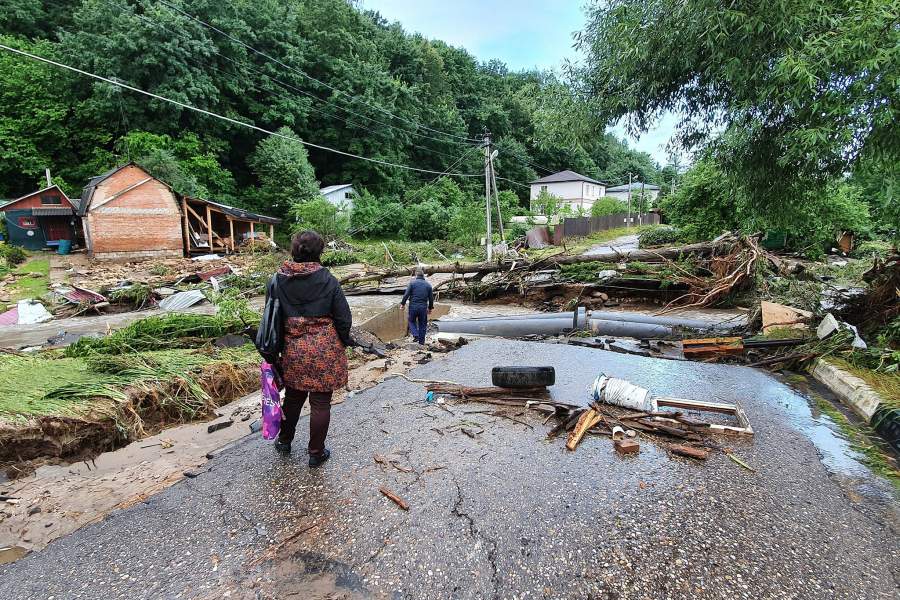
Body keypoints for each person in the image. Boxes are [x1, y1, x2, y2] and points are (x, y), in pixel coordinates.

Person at [269, 230, 351, 467]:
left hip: (294, 351)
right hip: (325, 350)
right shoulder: (328, 279)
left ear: (294, 251)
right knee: (320, 403)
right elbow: (344, 318)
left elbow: (272, 318)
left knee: (293, 399)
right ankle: (316, 453)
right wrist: (343, 342)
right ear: (319, 253)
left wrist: (274, 352)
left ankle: (284, 441)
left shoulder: (277, 279)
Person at [400, 266, 433, 345]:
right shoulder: (428, 285)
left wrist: (402, 304)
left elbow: (406, 295)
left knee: (411, 321)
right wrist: (430, 308)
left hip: (413, 307)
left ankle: (415, 335)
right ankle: (421, 343)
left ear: (416, 275)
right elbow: (431, 299)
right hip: (423, 308)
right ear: (423, 276)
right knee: (422, 324)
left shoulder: (412, 283)